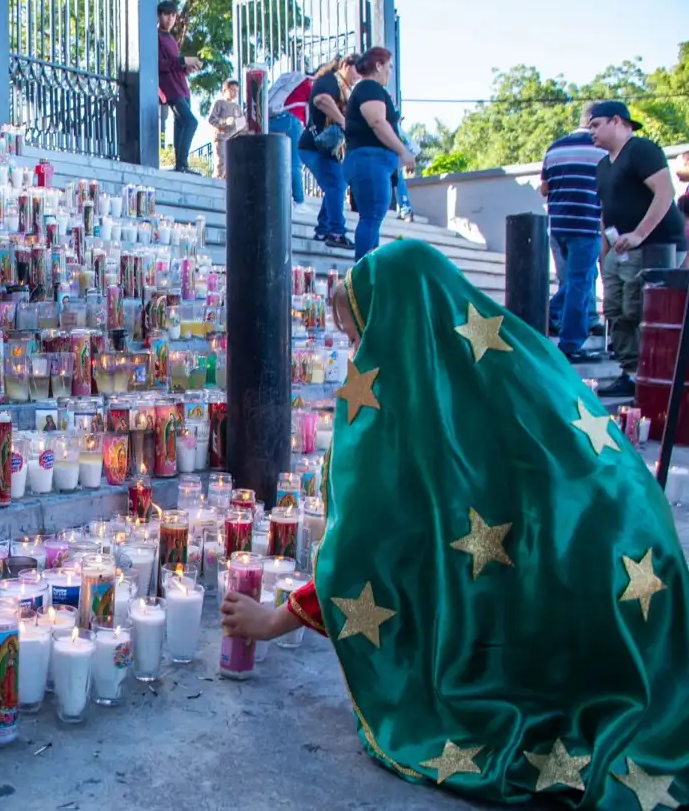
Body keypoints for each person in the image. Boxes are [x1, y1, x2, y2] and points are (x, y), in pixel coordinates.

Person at [222, 238, 689, 808]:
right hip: (645, 583)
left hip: (594, 608)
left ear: (397, 329)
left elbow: (376, 552)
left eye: (357, 337)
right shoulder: (511, 363)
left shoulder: (412, 417)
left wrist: (274, 621)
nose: (356, 358)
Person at [589, 101, 688, 398]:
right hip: (618, 249)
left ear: (617, 121)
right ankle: (630, 372)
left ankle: (653, 372)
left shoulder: (642, 150)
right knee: (616, 310)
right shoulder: (603, 165)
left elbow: (665, 192)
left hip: (655, 246)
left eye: (596, 124)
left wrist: (639, 234)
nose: (591, 131)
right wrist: (604, 252)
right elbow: (607, 210)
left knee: (639, 308)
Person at [539, 103, 608, 362]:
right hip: (585, 224)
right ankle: (570, 344)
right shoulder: (600, 150)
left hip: (558, 226)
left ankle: (550, 314)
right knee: (580, 282)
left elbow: (544, 188)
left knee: (571, 280)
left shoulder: (554, 147)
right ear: (593, 122)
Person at [342, 47, 415, 260]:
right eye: (389, 66)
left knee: (372, 218)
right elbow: (377, 121)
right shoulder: (369, 88)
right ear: (378, 65)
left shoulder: (368, 89)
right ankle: (363, 275)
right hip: (370, 160)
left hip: (373, 161)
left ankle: (367, 271)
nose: (390, 72)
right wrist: (403, 151)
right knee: (371, 218)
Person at [298, 54, 359, 250]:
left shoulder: (342, 87)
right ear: (347, 66)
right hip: (313, 147)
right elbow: (321, 100)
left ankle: (323, 229)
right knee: (336, 184)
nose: (357, 78)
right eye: (357, 72)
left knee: (336, 184)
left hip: (325, 150)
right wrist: (344, 122)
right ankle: (336, 232)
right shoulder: (330, 81)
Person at [156, 0, 201, 174]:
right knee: (191, 121)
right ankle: (182, 164)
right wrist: (183, 61)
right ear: (159, 15)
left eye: (173, 15)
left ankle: (180, 165)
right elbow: (159, 65)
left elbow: (176, 66)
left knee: (182, 123)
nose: (170, 18)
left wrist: (187, 68)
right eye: (166, 14)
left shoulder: (172, 39)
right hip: (170, 88)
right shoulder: (156, 37)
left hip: (182, 86)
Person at [268, 69, 312, 206]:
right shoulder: (310, 84)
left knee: (278, 162)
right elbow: (310, 113)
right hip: (292, 121)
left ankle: (277, 195)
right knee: (295, 162)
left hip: (274, 120)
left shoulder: (293, 81)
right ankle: (298, 200)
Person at [206, 80, 246, 179]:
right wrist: (224, 122)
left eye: (237, 91)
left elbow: (241, 124)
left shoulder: (237, 107)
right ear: (225, 90)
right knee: (221, 163)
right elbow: (211, 119)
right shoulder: (219, 103)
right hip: (221, 137)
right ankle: (217, 182)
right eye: (232, 90)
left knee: (232, 165)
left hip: (233, 139)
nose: (235, 93)